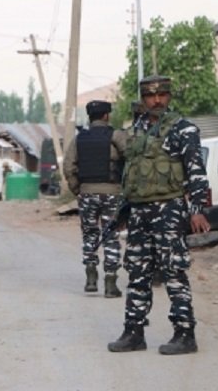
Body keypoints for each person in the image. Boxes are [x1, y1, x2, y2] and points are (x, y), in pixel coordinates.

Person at [107, 75, 210, 355]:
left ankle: (185, 334)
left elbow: (196, 172)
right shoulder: (135, 132)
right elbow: (130, 175)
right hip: (139, 212)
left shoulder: (183, 130)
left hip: (169, 210)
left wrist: (197, 210)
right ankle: (133, 333)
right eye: (151, 96)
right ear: (143, 99)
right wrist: (123, 210)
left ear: (169, 96)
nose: (157, 100)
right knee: (137, 272)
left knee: (173, 270)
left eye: (162, 95)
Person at [63, 100, 127, 298]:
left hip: (87, 193)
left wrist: (78, 189)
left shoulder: (79, 139)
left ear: (90, 117)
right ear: (106, 116)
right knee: (110, 235)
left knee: (90, 234)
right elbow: (132, 159)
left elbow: (68, 167)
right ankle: (110, 283)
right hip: (112, 193)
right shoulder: (116, 136)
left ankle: (91, 277)